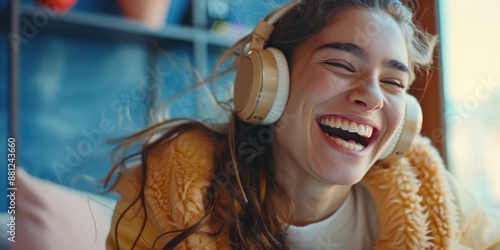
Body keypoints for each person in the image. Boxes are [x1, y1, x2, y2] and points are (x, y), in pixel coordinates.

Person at [105, 0, 500, 249]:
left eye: (393, 82)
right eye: (341, 65)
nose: (374, 96)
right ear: (267, 85)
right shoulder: (161, 208)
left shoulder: (432, 194)